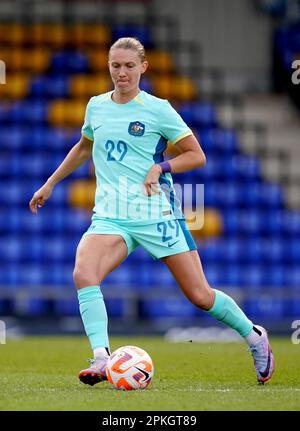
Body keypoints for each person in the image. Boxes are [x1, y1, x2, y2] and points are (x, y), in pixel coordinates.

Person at [29, 37, 275, 386]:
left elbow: (196, 155)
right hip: (111, 214)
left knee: (200, 296)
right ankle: (101, 358)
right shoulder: (96, 106)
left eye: (129, 66)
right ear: (108, 66)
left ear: (143, 67)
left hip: (156, 213)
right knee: (84, 272)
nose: (122, 73)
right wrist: (50, 183)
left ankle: (254, 337)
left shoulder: (158, 109)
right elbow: (84, 146)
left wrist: (162, 168)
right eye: (116, 65)